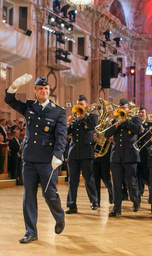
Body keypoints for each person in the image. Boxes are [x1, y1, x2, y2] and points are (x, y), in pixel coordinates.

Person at [4, 74, 67, 243]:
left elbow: (61, 135)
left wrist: (58, 154)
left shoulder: (58, 111)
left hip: (48, 161)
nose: (44, 91)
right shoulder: (30, 107)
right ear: (35, 90)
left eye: (46, 89)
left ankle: (60, 217)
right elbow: (9, 101)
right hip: (30, 158)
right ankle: (30, 232)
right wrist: (14, 85)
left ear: (49, 91)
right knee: (28, 196)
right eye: (40, 89)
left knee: (49, 194)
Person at [105, 98, 141, 217]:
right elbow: (106, 134)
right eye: (120, 108)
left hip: (130, 155)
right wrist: (116, 125)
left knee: (131, 182)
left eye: (124, 108)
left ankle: (135, 201)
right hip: (116, 156)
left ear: (128, 109)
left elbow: (137, 130)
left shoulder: (135, 119)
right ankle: (117, 208)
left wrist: (125, 121)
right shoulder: (115, 120)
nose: (122, 110)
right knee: (116, 183)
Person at [66, 95, 99, 214]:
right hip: (74, 152)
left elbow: (92, 126)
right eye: (78, 104)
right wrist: (68, 122)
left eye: (82, 104)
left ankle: (94, 201)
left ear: (86, 105)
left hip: (86, 152)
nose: (80, 106)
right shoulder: (74, 119)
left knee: (88, 179)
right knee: (72, 180)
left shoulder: (92, 116)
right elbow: (66, 133)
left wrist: (83, 115)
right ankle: (71, 205)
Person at [137, 105, 152, 201]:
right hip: (137, 154)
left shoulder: (150, 124)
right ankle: (139, 194)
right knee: (138, 176)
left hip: (146, 154)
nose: (140, 114)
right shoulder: (135, 124)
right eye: (139, 112)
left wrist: (145, 130)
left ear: (146, 114)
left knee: (148, 176)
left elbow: (150, 138)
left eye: (142, 112)